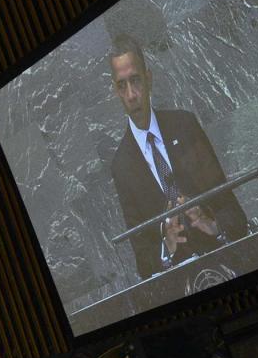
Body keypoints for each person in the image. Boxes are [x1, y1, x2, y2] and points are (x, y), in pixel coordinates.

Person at [106, 33, 248, 280]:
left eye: (136, 80)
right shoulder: (122, 166)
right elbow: (143, 261)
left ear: (148, 79)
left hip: (226, 266)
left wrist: (212, 224)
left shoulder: (185, 126)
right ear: (115, 91)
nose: (131, 95)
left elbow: (233, 212)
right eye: (122, 85)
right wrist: (167, 248)